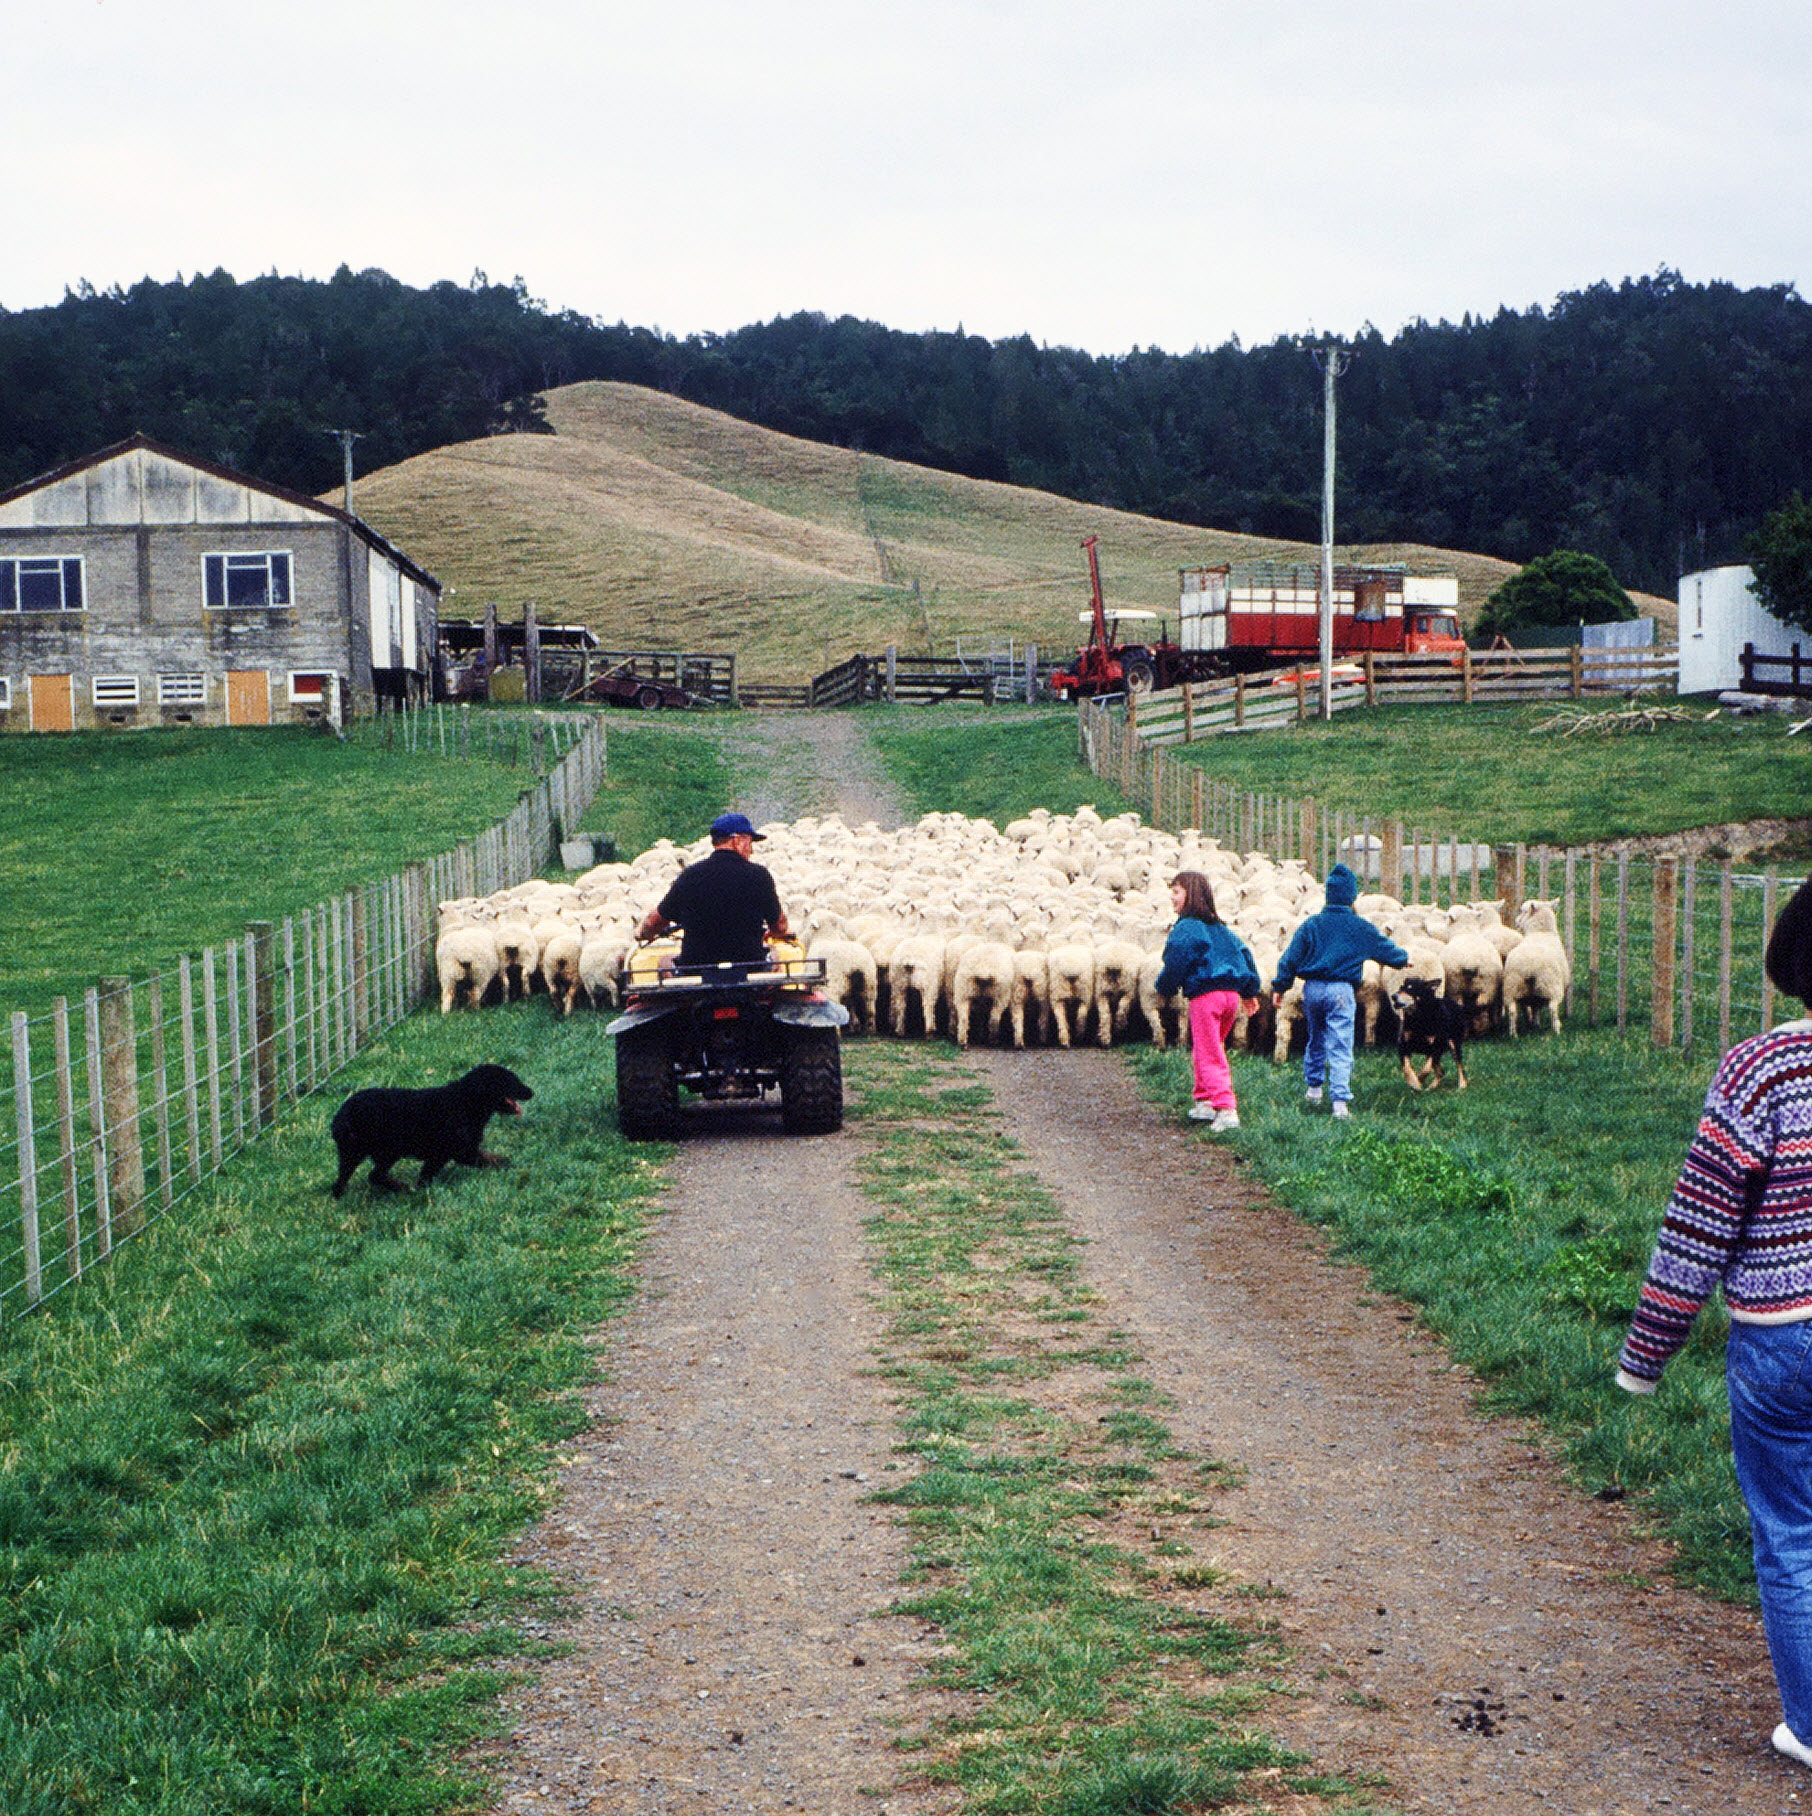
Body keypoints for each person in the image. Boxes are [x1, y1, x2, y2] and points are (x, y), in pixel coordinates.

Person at [1617, 872, 1812, 1769]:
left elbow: (1699, 1222)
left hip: (1783, 1337)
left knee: (1793, 1534)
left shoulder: (1762, 1069)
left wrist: (1646, 1356)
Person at [1269, 861, 1407, 1119]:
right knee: (1341, 1043)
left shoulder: (1312, 924)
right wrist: (1402, 959)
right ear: (1352, 896)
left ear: (1328, 895)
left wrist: (1280, 986)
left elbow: (1290, 957)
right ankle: (1340, 1103)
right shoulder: (1359, 926)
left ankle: (1313, 1090)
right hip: (1341, 991)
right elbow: (1383, 948)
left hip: (1313, 990)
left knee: (1316, 1037)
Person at [1153, 870, 1261, 1130]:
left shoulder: (1187, 928)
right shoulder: (1221, 928)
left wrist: (1165, 986)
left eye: (1176, 891)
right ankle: (1204, 1101)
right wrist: (1249, 990)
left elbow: (1176, 959)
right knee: (1210, 1045)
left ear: (1190, 894)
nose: (1172, 897)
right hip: (1230, 997)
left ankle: (1226, 1109)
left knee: (1208, 1051)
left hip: (1206, 996)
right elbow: (1244, 955)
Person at [633, 812, 790, 967]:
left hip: (696, 970)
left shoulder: (690, 876)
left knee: (665, 961)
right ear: (737, 841)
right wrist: (772, 933)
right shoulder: (759, 876)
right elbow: (780, 926)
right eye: (749, 842)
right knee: (774, 954)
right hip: (750, 967)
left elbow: (655, 921)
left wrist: (643, 933)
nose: (751, 850)